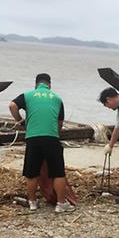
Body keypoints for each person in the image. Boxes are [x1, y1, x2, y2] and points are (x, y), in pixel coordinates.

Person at [9, 73, 74, 213]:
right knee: (58, 172)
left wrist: (20, 121)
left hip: (33, 138)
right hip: (51, 138)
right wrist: (55, 134)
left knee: (31, 173)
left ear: (36, 84)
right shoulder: (57, 98)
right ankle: (61, 204)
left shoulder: (27, 95)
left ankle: (32, 203)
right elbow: (60, 122)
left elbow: (12, 105)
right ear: (49, 85)